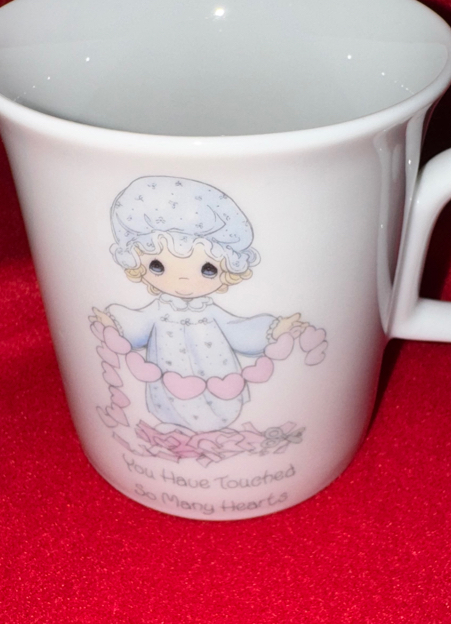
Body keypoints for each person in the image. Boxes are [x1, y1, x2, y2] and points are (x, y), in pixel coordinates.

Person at [92, 176, 302, 432]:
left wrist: (274, 330)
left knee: (220, 395)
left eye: (208, 269)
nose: (183, 281)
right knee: (170, 398)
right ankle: (173, 425)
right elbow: (137, 324)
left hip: (217, 371)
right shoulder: (158, 311)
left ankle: (219, 422)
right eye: (157, 266)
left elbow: (238, 328)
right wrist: (114, 324)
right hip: (167, 380)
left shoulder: (210, 312)